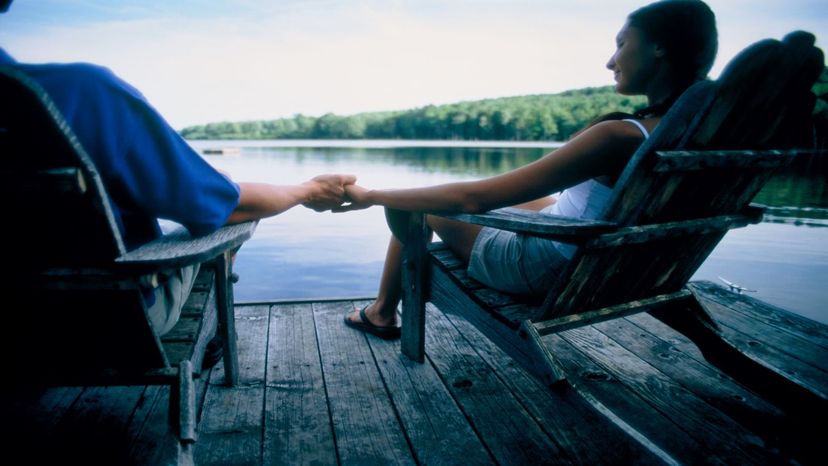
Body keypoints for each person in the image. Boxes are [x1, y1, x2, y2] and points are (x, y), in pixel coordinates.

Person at [336, 0, 719, 339]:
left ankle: (381, 313)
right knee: (493, 195)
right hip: (626, 267)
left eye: (621, 44)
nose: (611, 60)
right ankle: (383, 308)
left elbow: (474, 198)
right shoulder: (699, 135)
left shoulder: (620, 136)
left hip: (548, 268)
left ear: (659, 47)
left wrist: (371, 196)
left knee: (423, 203)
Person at [0, 0, 353, 338]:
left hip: (17, 314)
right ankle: (213, 336)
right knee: (227, 212)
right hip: (103, 321)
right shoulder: (80, 93)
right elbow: (227, 207)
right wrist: (309, 190)